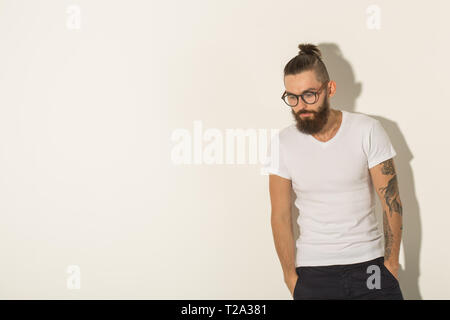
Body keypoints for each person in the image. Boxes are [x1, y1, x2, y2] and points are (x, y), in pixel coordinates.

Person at [262, 43, 404, 300]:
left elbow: (391, 201)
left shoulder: (367, 130)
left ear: (330, 89)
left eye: (309, 95)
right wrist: (290, 277)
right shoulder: (283, 142)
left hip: (370, 265)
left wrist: (391, 264)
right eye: (292, 97)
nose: (300, 105)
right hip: (313, 271)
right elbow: (280, 216)